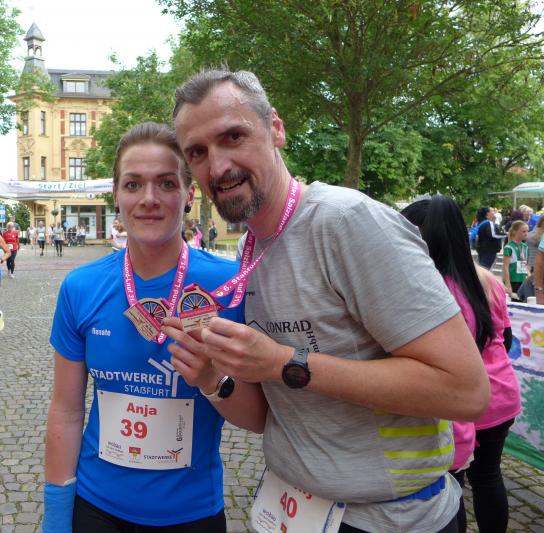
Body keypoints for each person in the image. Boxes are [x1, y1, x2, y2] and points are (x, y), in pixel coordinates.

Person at [166, 69, 490, 532]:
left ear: (276, 129)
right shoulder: (251, 249)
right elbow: (273, 418)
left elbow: (465, 390)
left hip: (386, 520)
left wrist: (283, 363)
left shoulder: (348, 222)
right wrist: (212, 377)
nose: (217, 168)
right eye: (197, 152)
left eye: (233, 136)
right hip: (293, 509)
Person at [43, 122, 265, 532]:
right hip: (96, 507)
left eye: (166, 183)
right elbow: (67, 409)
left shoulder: (231, 286)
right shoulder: (81, 287)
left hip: (192, 513)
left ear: (189, 194)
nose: (149, 199)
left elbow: (259, 418)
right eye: (133, 184)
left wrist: (211, 380)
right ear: (116, 194)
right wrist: (56, 515)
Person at [402, 196, 521, 533]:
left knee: (453, 485)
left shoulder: (428, 290)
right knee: (488, 477)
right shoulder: (486, 280)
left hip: (459, 402)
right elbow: (505, 339)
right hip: (499, 394)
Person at [502, 220, 528, 299]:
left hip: (523, 280)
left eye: (527, 231)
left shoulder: (525, 246)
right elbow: (505, 267)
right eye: (523, 231)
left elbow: (525, 264)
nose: (526, 233)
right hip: (513, 281)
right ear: (515, 232)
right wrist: (507, 284)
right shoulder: (509, 247)